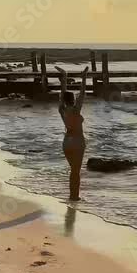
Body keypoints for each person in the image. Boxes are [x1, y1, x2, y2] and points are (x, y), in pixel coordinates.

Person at [56, 67, 88, 201]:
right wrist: (84, 78)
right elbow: (83, 93)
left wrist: (64, 77)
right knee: (76, 171)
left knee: (73, 170)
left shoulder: (62, 110)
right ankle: (74, 196)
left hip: (67, 142)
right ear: (73, 100)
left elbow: (62, 95)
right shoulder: (76, 110)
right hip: (77, 142)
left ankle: (73, 195)